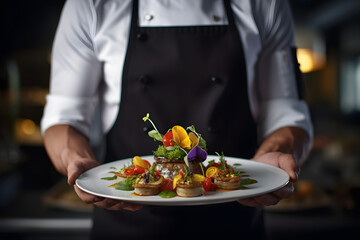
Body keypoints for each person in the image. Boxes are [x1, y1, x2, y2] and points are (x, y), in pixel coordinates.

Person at [41, 0, 313, 239]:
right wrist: (75, 159)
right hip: (124, 224)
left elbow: (288, 115)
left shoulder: (265, 4)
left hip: (233, 222)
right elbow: (63, 119)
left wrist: (277, 157)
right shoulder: (90, 5)